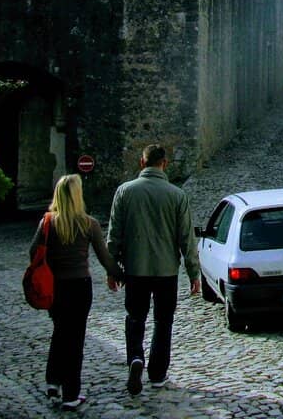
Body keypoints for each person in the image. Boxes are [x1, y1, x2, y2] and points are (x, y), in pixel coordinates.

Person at [106, 144, 202, 395]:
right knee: (163, 321)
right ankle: (158, 373)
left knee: (135, 317)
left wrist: (112, 269)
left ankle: (135, 357)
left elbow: (114, 234)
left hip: (135, 269)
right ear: (165, 164)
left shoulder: (124, 192)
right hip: (166, 272)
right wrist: (194, 273)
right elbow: (186, 238)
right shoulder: (176, 195)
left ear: (142, 163)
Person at [29, 174, 122, 412]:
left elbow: (33, 252)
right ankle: (71, 393)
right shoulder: (88, 223)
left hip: (56, 286)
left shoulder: (48, 222)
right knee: (75, 339)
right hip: (80, 286)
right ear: (78, 196)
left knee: (60, 332)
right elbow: (105, 258)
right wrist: (120, 275)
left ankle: (53, 380)